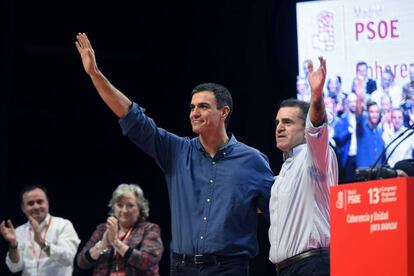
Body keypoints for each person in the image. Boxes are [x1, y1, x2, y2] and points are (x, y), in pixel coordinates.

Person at [75, 33, 274, 276]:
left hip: (229, 269)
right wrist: (96, 75)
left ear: (224, 112)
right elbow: (134, 118)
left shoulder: (252, 161)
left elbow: (277, 214)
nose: (194, 113)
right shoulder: (177, 151)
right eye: (192, 107)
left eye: (203, 106)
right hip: (182, 267)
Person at [269, 57, 338, 275]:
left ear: (305, 128)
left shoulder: (314, 154)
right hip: (286, 269)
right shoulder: (283, 172)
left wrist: (316, 96)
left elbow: (317, 125)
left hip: (311, 266)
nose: (279, 127)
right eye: (278, 122)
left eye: (287, 122)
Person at [77, 183, 163, 275]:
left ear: (140, 208)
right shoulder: (102, 229)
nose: (124, 210)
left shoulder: (150, 229)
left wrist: (116, 243)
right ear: (113, 207)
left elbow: (147, 261)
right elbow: (81, 262)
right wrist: (102, 245)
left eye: (130, 205)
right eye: (120, 205)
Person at [0, 185, 80, 276]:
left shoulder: (63, 225)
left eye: (40, 201)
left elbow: (68, 259)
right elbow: (14, 268)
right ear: (23, 208)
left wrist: (41, 242)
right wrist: (13, 245)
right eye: (30, 203)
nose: (36, 206)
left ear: (47, 203)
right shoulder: (18, 231)